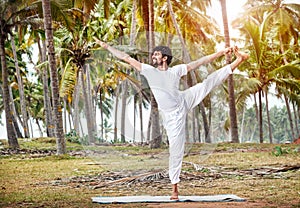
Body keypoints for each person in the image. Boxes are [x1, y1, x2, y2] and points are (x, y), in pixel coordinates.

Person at [94, 37, 249, 200]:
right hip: (173, 115)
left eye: (157, 54)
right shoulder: (149, 71)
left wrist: (220, 53)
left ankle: (239, 60)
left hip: (183, 99)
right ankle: (175, 188)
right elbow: (126, 58)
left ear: (165, 58)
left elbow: (200, 62)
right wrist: (106, 47)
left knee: (207, 84)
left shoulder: (175, 71)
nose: (153, 57)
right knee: (176, 149)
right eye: (153, 55)